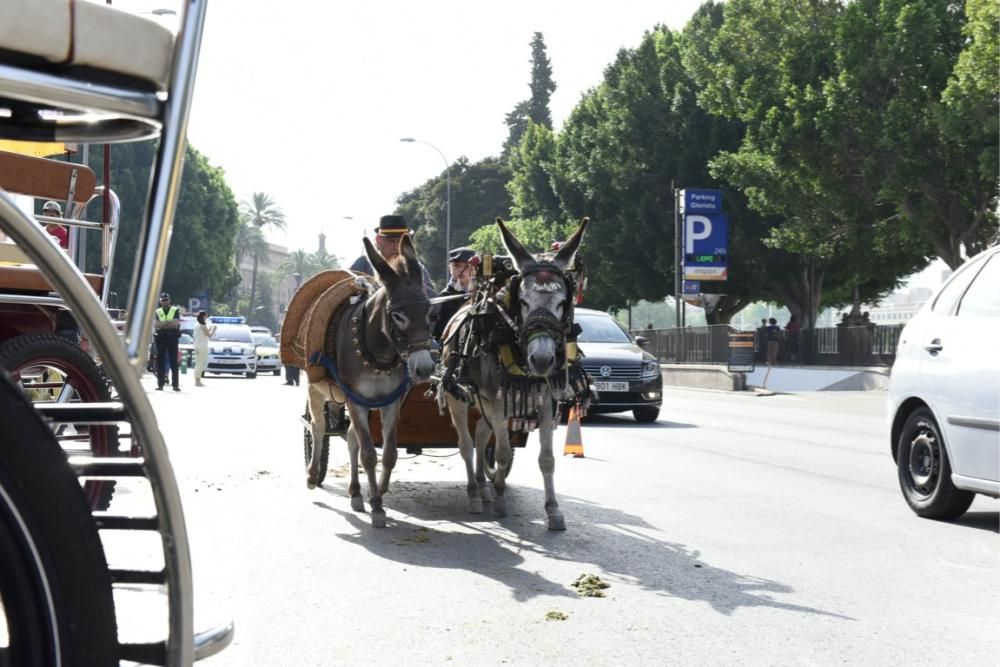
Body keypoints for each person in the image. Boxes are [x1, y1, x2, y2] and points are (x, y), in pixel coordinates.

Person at [350, 214, 435, 296]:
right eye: (391, 241)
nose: (396, 247)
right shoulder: (363, 265)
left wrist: (419, 287)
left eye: (401, 241)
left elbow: (434, 302)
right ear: (378, 240)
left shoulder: (417, 269)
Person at [433, 246, 478, 340]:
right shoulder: (445, 296)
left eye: (466, 266)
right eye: (456, 266)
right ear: (450, 268)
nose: (461, 270)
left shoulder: (482, 293)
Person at [153, 292, 182, 391]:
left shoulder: (175, 310)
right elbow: (156, 325)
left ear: (169, 300)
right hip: (161, 338)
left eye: (166, 300)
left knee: (173, 361)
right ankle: (160, 384)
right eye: (163, 300)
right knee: (160, 361)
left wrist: (163, 324)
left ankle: (175, 385)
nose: (164, 302)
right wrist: (168, 323)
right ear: (160, 301)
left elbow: (175, 323)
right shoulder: (158, 311)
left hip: (172, 337)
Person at [192, 310, 217, 387]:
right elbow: (209, 335)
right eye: (206, 316)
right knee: (200, 364)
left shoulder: (197, 324)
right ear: (203, 316)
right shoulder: (202, 324)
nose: (207, 317)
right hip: (202, 346)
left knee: (198, 363)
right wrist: (214, 329)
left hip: (197, 345)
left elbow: (205, 333)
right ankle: (197, 381)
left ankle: (197, 380)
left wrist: (210, 328)